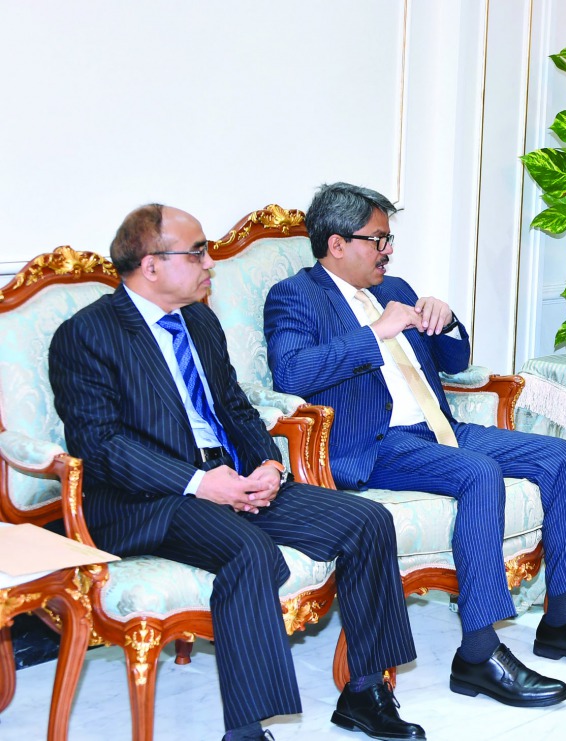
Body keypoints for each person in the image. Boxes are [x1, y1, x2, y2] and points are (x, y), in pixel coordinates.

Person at [48, 205, 424, 741]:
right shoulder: (87, 335)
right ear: (150, 265)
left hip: (228, 477)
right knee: (249, 551)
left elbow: (233, 406)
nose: (210, 263)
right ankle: (247, 731)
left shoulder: (199, 320)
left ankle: (366, 692)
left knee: (366, 522)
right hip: (148, 499)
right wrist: (203, 484)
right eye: (197, 251)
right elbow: (101, 445)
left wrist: (265, 465)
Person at [263, 182, 566, 709]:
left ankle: (562, 620)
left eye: (389, 238)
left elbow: (456, 363)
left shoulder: (397, 287)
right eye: (378, 239)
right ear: (337, 243)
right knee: (479, 472)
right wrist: (375, 333)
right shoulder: (296, 296)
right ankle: (480, 653)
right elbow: (292, 371)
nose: (388, 250)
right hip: (376, 442)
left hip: (440, 427)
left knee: (560, 457)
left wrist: (445, 319)